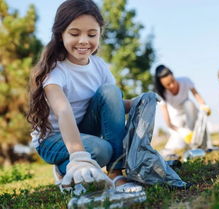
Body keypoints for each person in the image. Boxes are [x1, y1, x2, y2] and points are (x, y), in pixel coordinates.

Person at [27, 0, 141, 193]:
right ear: (60, 34)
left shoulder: (99, 66)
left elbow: (114, 105)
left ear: (100, 34)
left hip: (85, 130)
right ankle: (68, 166)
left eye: (91, 34)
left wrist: (140, 102)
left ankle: (116, 174)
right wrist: (79, 154)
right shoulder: (55, 71)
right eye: (74, 33)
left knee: (111, 91)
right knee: (102, 150)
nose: (83, 41)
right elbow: (63, 111)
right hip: (54, 139)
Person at [154, 64, 215, 157]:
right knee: (178, 144)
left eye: (172, 81)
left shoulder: (185, 81)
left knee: (188, 103)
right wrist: (183, 131)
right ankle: (171, 149)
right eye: (167, 85)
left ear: (174, 76)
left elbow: (196, 95)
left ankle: (201, 145)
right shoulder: (161, 94)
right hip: (176, 121)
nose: (172, 85)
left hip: (190, 113)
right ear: (162, 85)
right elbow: (168, 123)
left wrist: (204, 105)